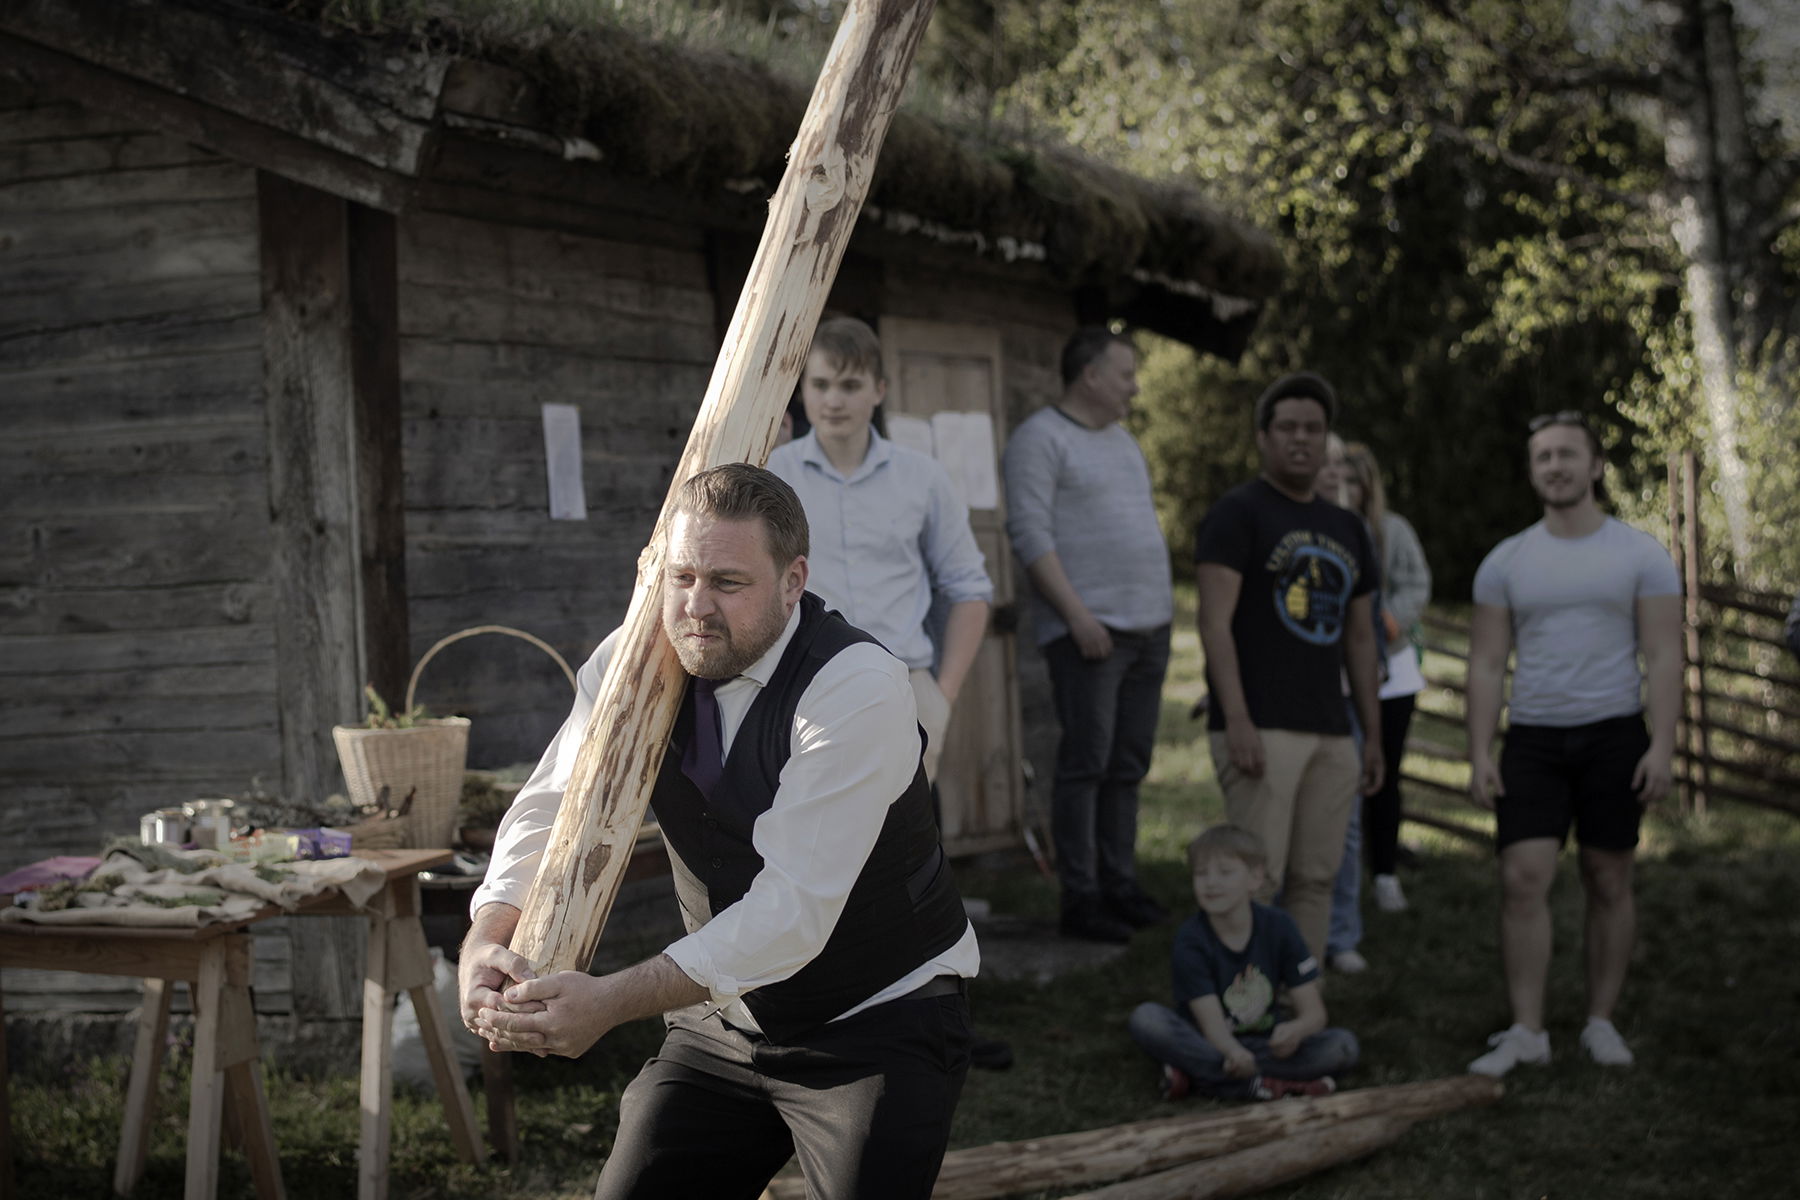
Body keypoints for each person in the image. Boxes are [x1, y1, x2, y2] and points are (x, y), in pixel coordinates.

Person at [460, 464, 977, 1199]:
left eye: (728, 583)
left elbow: (792, 909)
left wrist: (610, 1001)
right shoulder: (631, 663)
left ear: (793, 579)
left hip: (877, 1017)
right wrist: (487, 933)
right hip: (726, 1021)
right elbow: (550, 805)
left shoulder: (855, 685)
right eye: (681, 577)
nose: (696, 607)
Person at [1465, 412, 1680, 1077]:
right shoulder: (1507, 561)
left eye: (1566, 454)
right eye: (1542, 457)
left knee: (1608, 875)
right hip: (1532, 739)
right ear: (1532, 472)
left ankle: (1600, 1021)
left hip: (1616, 734)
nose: (1553, 466)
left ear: (1594, 467)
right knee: (1522, 876)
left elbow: (1665, 654)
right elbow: (1486, 662)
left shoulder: (1641, 554)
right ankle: (1527, 1030)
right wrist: (1479, 749)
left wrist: (1663, 746)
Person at [1194, 371, 1383, 963]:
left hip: (1331, 728)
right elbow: (1213, 624)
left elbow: (1359, 639)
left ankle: (1299, 1000)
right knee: (1259, 880)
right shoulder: (1237, 514)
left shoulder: (1348, 527)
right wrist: (1238, 718)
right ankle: (1242, 1007)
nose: (1302, 439)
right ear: (1263, 436)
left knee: (1317, 878)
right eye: (1288, 428)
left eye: (1314, 429)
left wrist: (1371, 735)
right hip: (1261, 727)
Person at [766, 316, 993, 786]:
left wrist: (942, 694)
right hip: (803, 688)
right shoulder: (773, 477)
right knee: (812, 842)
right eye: (821, 384)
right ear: (803, 388)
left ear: (880, 389)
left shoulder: (923, 478)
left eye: (850, 385)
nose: (833, 400)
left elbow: (970, 587)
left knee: (902, 847)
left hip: (906, 686)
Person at [1003, 327, 1174, 943]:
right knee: (1086, 764)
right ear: (1091, 375)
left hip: (1150, 628)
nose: (1134, 386)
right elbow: (1030, 535)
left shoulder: (1125, 442)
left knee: (1127, 764)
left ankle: (1120, 884)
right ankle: (1082, 897)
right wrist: (1077, 616)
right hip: (1091, 634)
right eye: (1126, 373)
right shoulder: (1040, 440)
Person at [1127, 825, 1359, 1101]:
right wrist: (1232, 1052)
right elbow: (1212, 1025)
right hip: (1209, 1041)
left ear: (1255, 878)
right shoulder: (1191, 940)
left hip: (1265, 1044)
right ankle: (1258, 1085)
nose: (1210, 883)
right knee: (1147, 1019)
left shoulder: (1279, 926)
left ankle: (1201, 1077)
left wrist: (1296, 1031)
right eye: (1201, 874)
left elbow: (1314, 1014)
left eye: (1225, 872)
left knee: (1342, 1046)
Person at [1340, 442, 1431, 914]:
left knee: (1383, 774)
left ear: (1368, 486)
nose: (1346, 489)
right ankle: (1342, 875)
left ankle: (1384, 873)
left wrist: (1390, 620)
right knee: (1340, 775)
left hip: (1392, 671)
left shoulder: (1392, 531)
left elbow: (1417, 583)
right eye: (1338, 479)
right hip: (1335, 674)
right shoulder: (1319, 527)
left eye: (1354, 481)